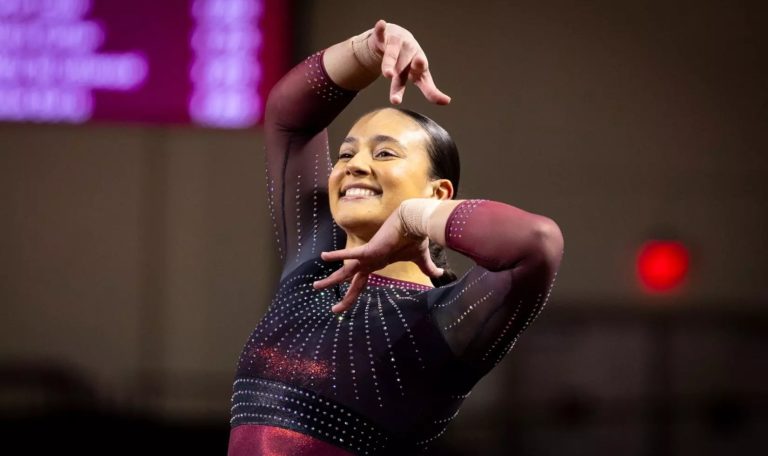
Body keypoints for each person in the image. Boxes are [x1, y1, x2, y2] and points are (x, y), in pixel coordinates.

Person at [228, 19, 564, 455]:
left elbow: (536, 243)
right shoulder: (312, 267)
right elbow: (290, 115)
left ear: (437, 193)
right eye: (346, 153)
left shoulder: (446, 320)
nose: (354, 164)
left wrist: (411, 218)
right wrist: (370, 48)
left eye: (385, 153)